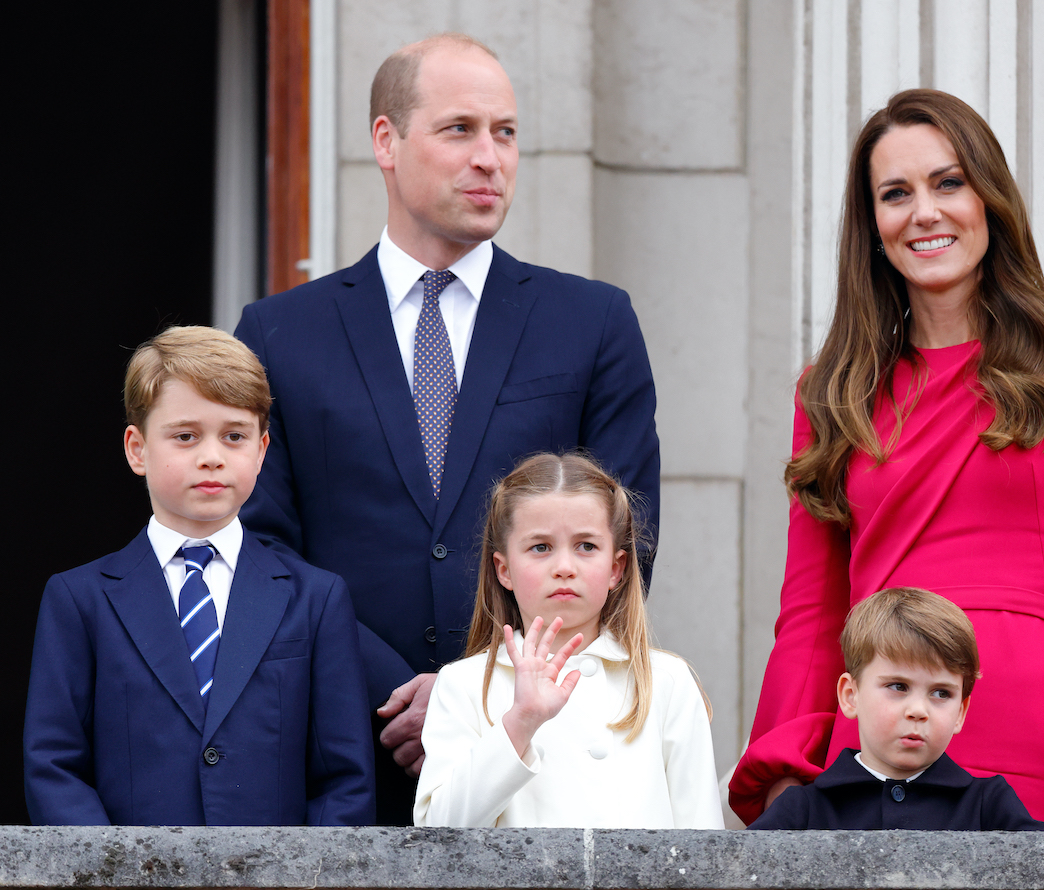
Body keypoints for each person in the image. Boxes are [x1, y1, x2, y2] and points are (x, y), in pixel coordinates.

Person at [729, 89, 1044, 831]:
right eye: (895, 194)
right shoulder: (831, 393)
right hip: (870, 743)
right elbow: (811, 613)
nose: (925, 212)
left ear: (988, 198)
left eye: (948, 183)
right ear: (872, 227)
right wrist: (785, 776)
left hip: (1023, 737)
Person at [234, 33, 659, 822]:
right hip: (339, 754)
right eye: (460, 129)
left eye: (505, 132)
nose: (490, 157)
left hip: (542, 758)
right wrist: (388, 692)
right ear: (385, 141)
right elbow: (258, 548)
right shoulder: (279, 333)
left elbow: (627, 535)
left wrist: (475, 697)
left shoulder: (591, 322)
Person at [23, 327, 374, 826]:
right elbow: (53, 766)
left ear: (261, 449)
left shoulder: (316, 599)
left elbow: (344, 780)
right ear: (137, 448)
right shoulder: (79, 600)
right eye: (185, 436)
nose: (212, 455)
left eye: (234, 435)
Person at [413, 453, 722, 828]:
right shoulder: (462, 685)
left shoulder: (668, 682)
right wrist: (520, 723)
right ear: (504, 570)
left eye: (586, 546)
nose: (564, 567)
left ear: (616, 568)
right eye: (540, 547)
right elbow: (437, 834)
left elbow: (704, 848)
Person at [749, 588, 1044, 830]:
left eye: (941, 693)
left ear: (961, 711)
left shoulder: (989, 805)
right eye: (898, 686)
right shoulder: (803, 809)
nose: (918, 710)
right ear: (850, 695)